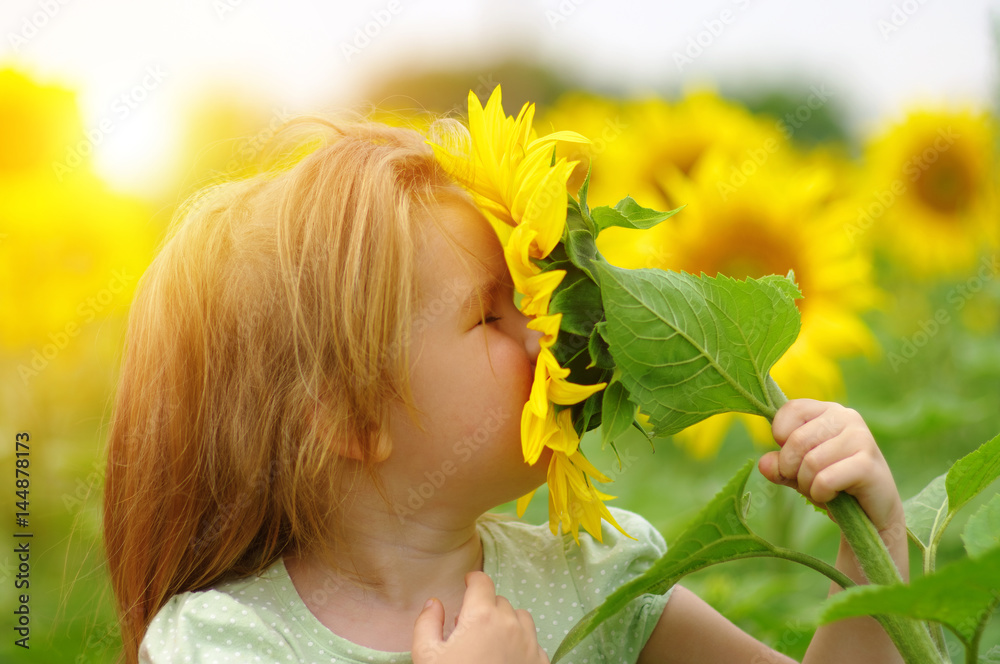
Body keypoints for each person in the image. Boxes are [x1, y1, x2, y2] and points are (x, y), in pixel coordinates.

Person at [103, 115, 907, 664]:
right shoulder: (226, 640)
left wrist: (874, 550)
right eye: (489, 316)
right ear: (351, 417)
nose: (544, 333)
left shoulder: (597, 573)